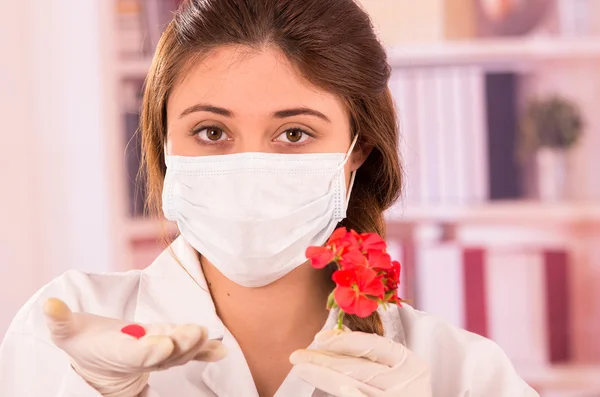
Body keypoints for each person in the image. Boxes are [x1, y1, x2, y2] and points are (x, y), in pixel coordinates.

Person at [0, 0, 539, 396]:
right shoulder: (72, 328)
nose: (249, 167)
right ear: (165, 144)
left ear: (357, 151)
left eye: (294, 133)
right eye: (211, 132)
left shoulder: (462, 373)